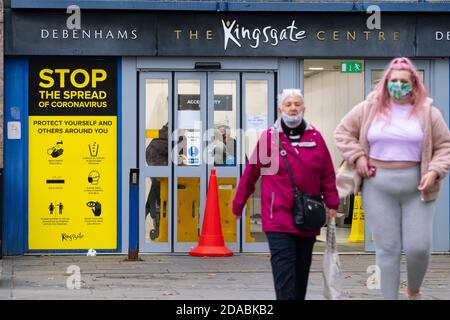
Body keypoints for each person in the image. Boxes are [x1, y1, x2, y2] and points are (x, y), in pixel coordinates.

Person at [334, 57, 450, 300]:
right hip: (378, 185)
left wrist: (434, 171)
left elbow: (444, 146)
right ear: (386, 82)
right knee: (388, 249)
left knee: (419, 247)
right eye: (393, 80)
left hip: (417, 187)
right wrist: (359, 157)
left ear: (414, 84)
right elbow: (343, 133)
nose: (398, 84)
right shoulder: (369, 108)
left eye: (403, 81)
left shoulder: (429, 112)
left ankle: (413, 290)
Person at [232, 88, 339, 300]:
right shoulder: (269, 139)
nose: (293, 108)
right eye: (288, 104)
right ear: (280, 109)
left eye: (297, 104)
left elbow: (327, 173)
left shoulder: (315, 138)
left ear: (303, 108)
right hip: (277, 217)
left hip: (307, 217)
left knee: (300, 275)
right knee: (284, 274)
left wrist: (332, 202)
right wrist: (239, 203)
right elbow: (251, 173)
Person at [145, 123, 168, 240]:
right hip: (158, 163)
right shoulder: (175, 136)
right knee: (158, 190)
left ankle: (148, 211)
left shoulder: (162, 134)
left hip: (154, 161)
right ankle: (152, 213)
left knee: (155, 188)